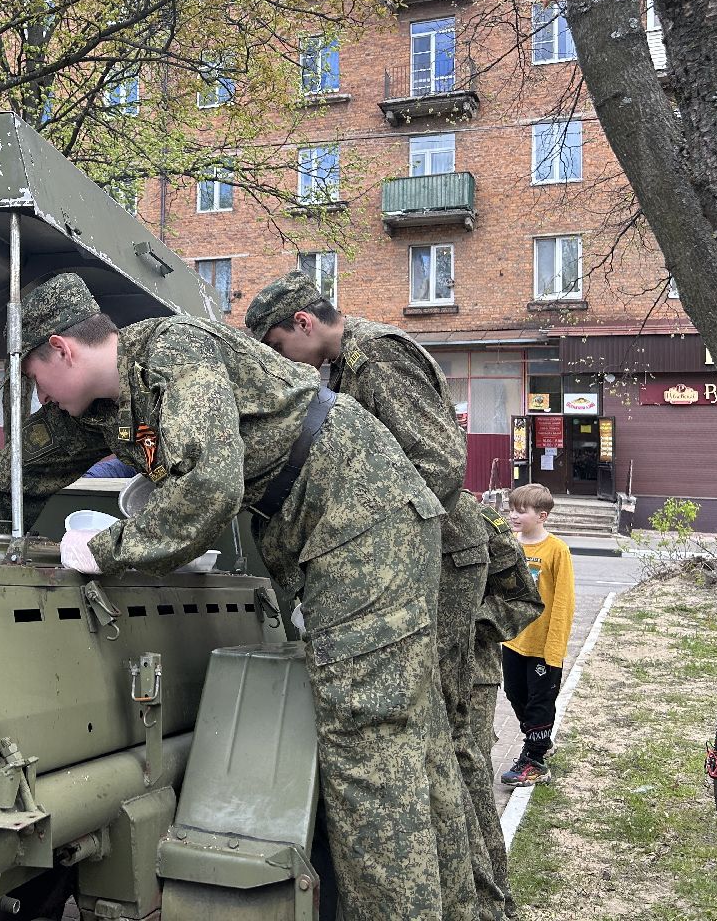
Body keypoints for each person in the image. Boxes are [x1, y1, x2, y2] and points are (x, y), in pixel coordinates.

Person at [0, 272, 473, 921]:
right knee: (417, 739)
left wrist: (100, 551)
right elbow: (23, 465)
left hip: (360, 517)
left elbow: (209, 491)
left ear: (63, 349)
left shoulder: (172, 354)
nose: (41, 396)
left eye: (38, 378)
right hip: (349, 522)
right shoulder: (102, 407)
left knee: (367, 749)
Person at [245, 271, 506, 920]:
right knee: (425, 733)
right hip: (414, 555)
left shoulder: (375, 354)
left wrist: (368, 528)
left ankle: (485, 898)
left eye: (279, 348)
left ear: (304, 324)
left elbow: (441, 465)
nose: (283, 365)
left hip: (439, 556)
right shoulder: (338, 370)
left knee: (445, 734)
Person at [470, 500, 543, 916]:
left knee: (473, 788)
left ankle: (495, 901)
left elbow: (524, 601)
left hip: (468, 680)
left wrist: (469, 622)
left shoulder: (475, 520)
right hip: (392, 682)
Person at [499, 482, 576, 788]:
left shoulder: (556, 550)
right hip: (515, 639)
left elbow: (563, 601)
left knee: (540, 701)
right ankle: (539, 740)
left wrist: (554, 646)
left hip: (544, 644)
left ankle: (534, 760)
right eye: (512, 509)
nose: (514, 515)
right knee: (515, 694)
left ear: (542, 515)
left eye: (522, 510)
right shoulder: (510, 545)